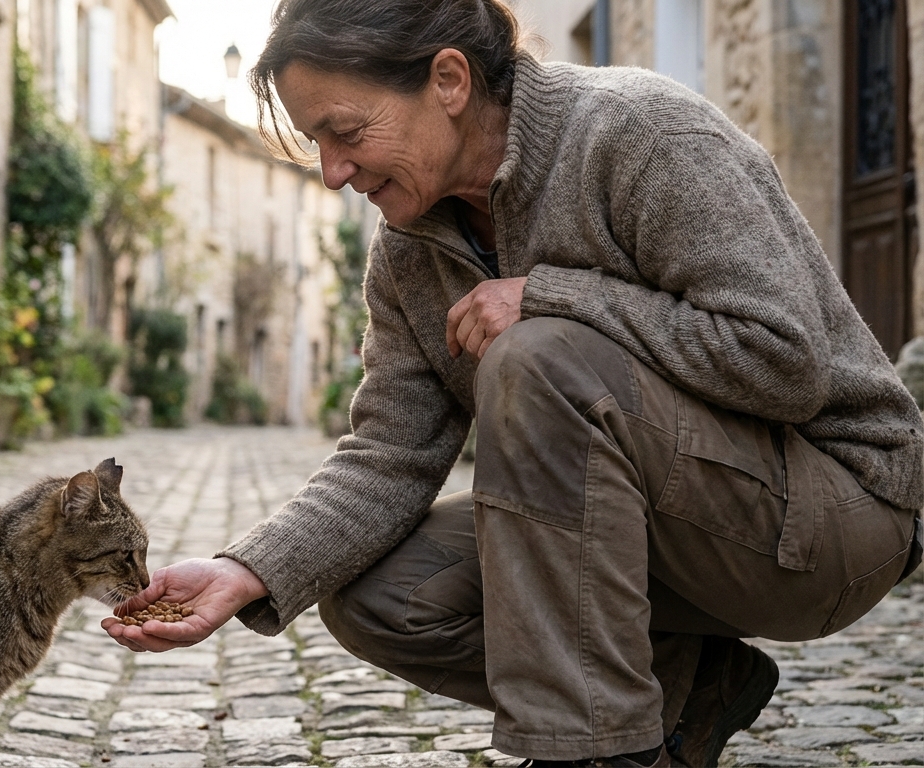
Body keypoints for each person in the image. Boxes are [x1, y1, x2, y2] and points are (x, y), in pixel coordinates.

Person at [103, 1, 924, 765]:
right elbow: (388, 453)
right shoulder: (408, 252)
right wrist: (247, 569)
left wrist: (550, 295)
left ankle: (596, 750)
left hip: (832, 522)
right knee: (377, 594)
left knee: (539, 356)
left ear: (450, 81)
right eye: (317, 142)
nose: (331, 171)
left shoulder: (640, 134)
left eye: (346, 131)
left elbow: (785, 361)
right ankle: (690, 689)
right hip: (669, 547)